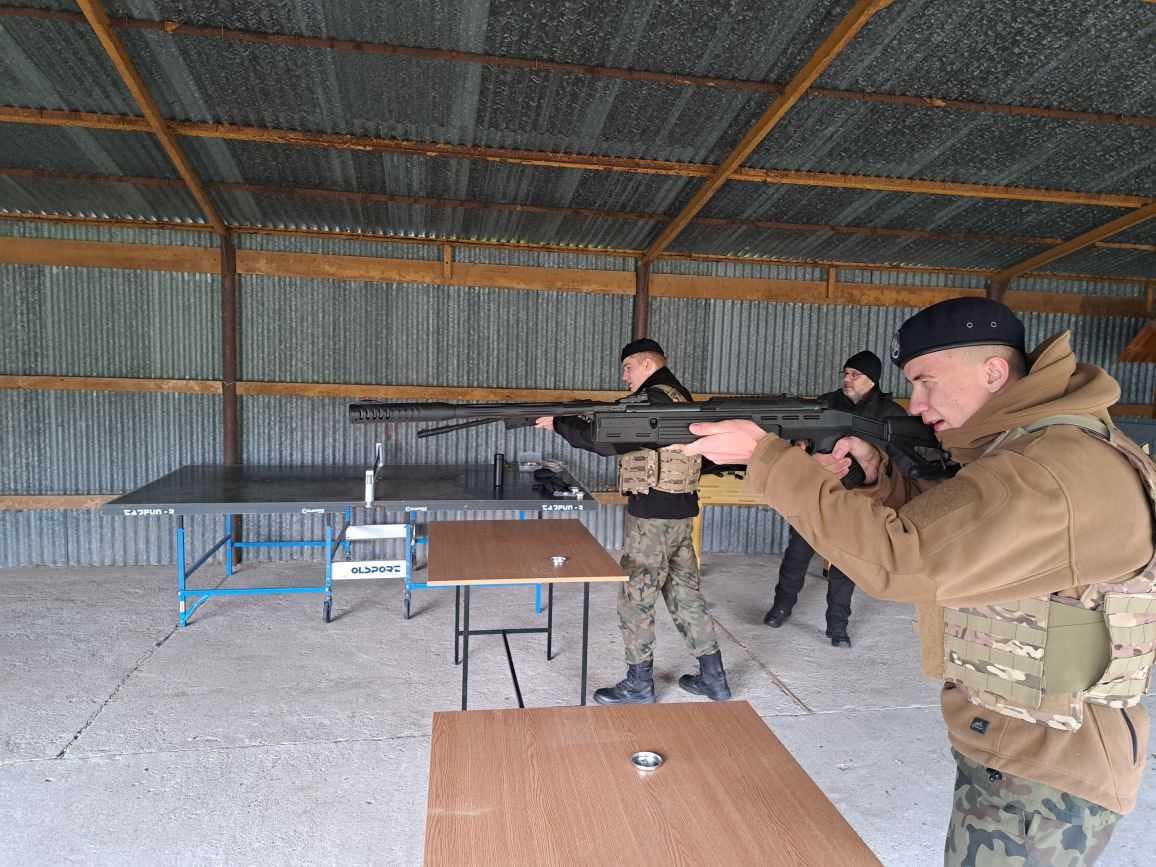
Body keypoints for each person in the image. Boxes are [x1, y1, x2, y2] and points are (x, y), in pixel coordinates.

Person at [678, 297, 1154, 865]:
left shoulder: (1048, 469)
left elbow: (902, 561)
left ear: (993, 371)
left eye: (926, 381)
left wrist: (768, 461)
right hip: (1026, 750)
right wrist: (879, 480)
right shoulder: (1039, 448)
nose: (918, 404)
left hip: (1045, 773)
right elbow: (959, 527)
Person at [535, 338, 730, 705]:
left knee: (635, 596)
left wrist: (561, 424)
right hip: (680, 511)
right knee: (685, 593)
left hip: (652, 516)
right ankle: (713, 677)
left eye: (628, 368)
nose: (624, 376)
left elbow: (607, 440)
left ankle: (638, 684)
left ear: (647, 364)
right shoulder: (678, 397)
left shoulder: (653, 400)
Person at [765, 350, 906, 647]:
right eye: (846, 373)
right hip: (817, 493)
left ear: (872, 379)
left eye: (855, 374)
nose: (847, 379)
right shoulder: (825, 403)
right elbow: (801, 434)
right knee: (797, 554)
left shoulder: (889, 413)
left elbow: (900, 457)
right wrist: (802, 446)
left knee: (846, 564)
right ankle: (781, 607)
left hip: (859, 499)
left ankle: (837, 626)